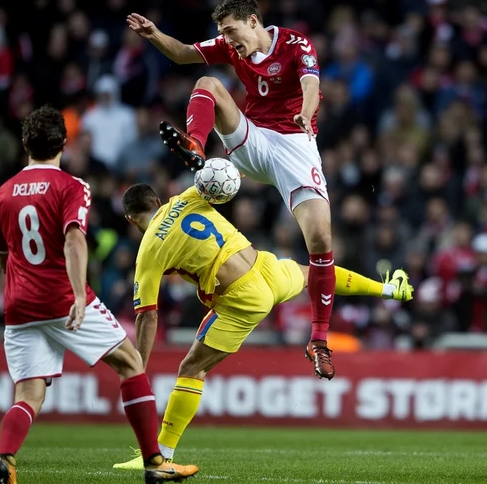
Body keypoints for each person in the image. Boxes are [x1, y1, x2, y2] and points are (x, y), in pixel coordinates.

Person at [114, 183, 413, 469]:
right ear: (157, 201)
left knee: (192, 369)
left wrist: (137, 368)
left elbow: (147, 315)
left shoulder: (149, 249)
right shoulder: (186, 197)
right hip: (265, 267)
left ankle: (160, 455)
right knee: (316, 273)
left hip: (241, 297)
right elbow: (225, 177)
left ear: (130, 219)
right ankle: (388, 289)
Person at [127, 0, 340, 378]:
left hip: (294, 142)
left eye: (230, 29)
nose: (225, 37)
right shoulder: (229, 47)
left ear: (253, 21)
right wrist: (154, 34)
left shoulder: (296, 44)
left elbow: (311, 84)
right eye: (222, 32)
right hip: (250, 141)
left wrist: (306, 114)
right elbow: (181, 54)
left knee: (321, 240)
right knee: (207, 81)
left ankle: (319, 340)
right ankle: (195, 144)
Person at [0, 106, 199, 484]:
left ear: (25, 144)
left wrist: (25, 287)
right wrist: (78, 296)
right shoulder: (72, 187)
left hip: (19, 306)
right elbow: (73, 239)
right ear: (64, 144)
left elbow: (4, 259)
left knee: (29, 395)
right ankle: (155, 462)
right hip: (62, 298)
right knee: (132, 364)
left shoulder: (3, 193)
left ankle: (5, 459)